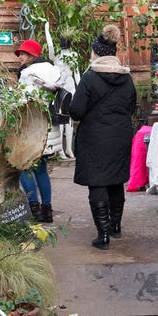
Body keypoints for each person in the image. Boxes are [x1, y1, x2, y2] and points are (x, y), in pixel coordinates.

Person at [69, 24, 138, 249]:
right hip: (120, 134)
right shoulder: (126, 78)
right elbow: (132, 107)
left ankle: (104, 235)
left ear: (97, 52)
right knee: (116, 179)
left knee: (97, 182)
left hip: (94, 137)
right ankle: (116, 226)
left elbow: (76, 110)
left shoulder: (89, 78)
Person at [15, 38, 68, 223]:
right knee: (42, 170)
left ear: (32, 55)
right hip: (50, 128)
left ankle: (34, 209)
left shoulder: (28, 73)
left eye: (23, 53)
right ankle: (47, 211)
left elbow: (23, 102)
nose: (20, 57)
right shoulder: (53, 70)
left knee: (25, 167)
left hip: (32, 127)